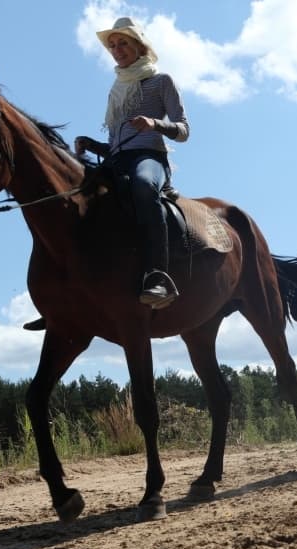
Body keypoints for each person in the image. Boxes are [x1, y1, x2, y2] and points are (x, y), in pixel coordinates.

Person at [24, 17, 188, 330]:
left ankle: (159, 276)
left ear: (139, 45)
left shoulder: (161, 80)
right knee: (68, 199)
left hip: (150, 157)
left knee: (142, 187)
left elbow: (184, 130)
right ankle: (65, 292)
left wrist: (156, 124)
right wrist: (94, 145)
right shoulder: (116, 88)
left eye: (122, 43)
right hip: (116, 160)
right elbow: (117, 143)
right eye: (112, 46)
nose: (116, 50)